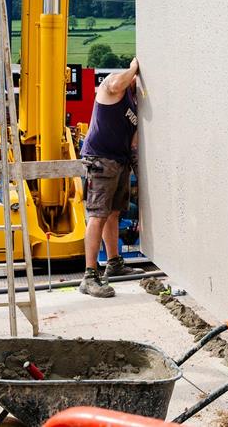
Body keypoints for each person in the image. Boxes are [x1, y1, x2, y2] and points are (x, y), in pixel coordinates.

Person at [79, 57, 140, 298]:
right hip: (100, 159)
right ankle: (89, 276)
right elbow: (115, 85)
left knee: (113, 214)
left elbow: (134, 142)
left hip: (119, 161)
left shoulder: (134, 104)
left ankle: (113, 263)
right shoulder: (114, 84)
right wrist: (134, 67)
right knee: (97, 216)